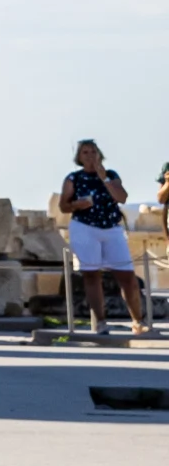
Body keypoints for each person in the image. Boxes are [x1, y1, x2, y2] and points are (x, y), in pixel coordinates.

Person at [63, 141, 139, 338]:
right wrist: (77, 205)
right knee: (91, 274)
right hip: (85, 227)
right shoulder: (74, 178)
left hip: (111, 227)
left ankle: (138, 321)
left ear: (99, 154)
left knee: (127, 275)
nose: (89, 155)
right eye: (85, 152)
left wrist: (104, 177)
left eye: (93, 151)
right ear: (79, 157)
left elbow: (122, 197)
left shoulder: (111, 175)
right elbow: (64, 205)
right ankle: (101, 321)